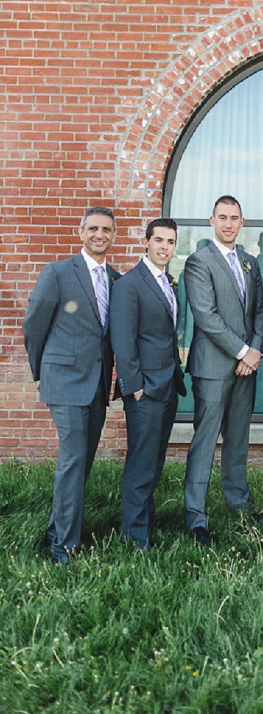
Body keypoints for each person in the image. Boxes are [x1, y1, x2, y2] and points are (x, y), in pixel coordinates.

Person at [22, 206, 120, 564]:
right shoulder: (59, 272)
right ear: (80, 233)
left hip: (96, 384)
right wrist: (44, 373)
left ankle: (57, 527)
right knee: (74, 459)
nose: (100, 234)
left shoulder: (115, 278)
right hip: (64, 382)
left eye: (106, 229)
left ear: (113, 235)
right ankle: (64, 545)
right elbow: (34, 326)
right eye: (93, 228)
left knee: (82, 460)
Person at [182, 196, 263, 546]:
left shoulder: (250, 263)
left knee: (238, 440)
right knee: (205, 442)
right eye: (223, 218)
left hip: (247, 368)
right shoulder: (198, 262)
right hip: (214, 367)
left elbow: (260, 311)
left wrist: (256, 350)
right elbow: (206, 317)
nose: (229, 224)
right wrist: (243, 350)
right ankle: (196, 517)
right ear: (211, 221)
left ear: (242, 222)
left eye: (235, 218)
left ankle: (239, 505)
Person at [110, 218, 186, 550]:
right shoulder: (129, 284)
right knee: (141, 463)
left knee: (154, 461)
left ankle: (145, 520)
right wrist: (134, 386)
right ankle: (134, 537)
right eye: (158, 240)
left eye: (170, 242)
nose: (164, 247)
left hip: (167, 386)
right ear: (146, 242)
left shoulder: (168, 281)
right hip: (145, 390)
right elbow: (123, 341)